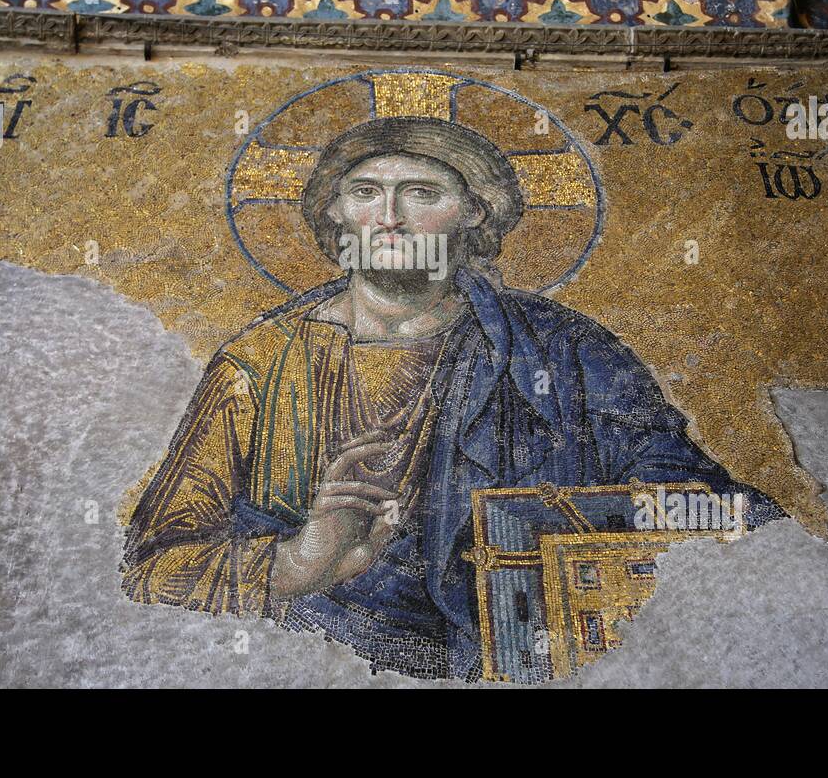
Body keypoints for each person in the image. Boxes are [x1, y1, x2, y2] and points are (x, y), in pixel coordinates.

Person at [122, 116, 779, 680]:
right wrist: (296, 564)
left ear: (475, 213)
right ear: (335, 212)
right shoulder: (261, 365)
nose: (388, 216)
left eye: (421, 193)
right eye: (365, 192)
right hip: (308, 658)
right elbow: (153, 565)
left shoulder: (562, 349)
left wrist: (550, 536)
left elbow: (709, 510)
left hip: (528, 666)